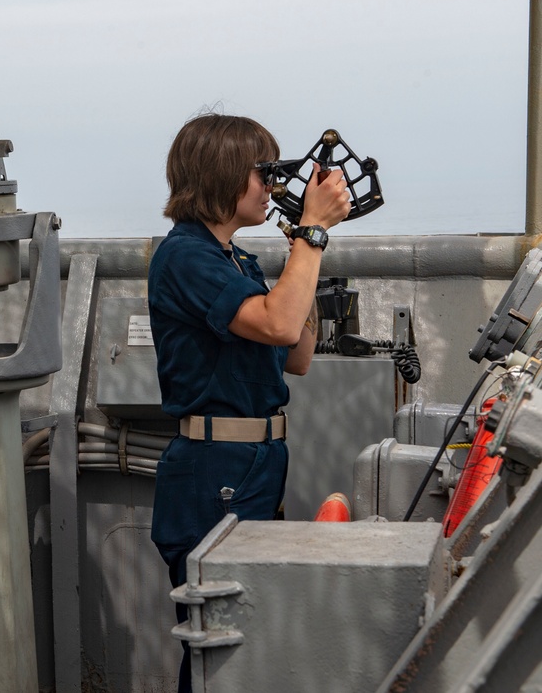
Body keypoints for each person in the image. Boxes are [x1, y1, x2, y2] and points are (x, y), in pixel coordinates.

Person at [148, 113, 350, 693]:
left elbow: (298, 354)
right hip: (214, 471)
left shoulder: (235, 259)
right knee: (219, 643)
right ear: (222, 176)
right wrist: (312, 233)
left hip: (255, 466)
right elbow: (281, 324)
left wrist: (301, 258)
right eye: (263, 174)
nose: (272, 187)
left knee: (249, 642)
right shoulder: (186, 257)